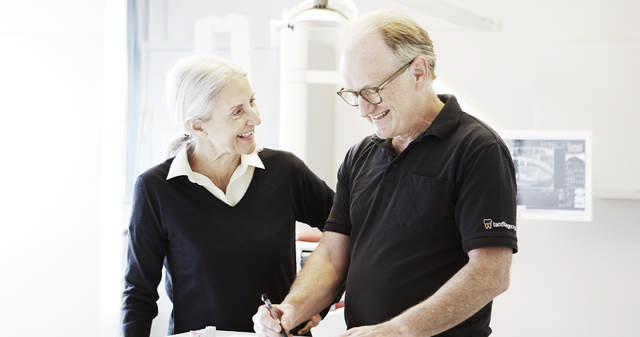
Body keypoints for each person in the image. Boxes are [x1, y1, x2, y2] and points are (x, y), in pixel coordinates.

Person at [253, 10, 518, 337]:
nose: (364, 109)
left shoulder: (477, 150)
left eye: (372, 91)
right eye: (353, 95)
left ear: (418, 72)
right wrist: (292, 308)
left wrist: (399, 330)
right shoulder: (360, 156)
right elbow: (335, 258)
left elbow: (490, 273)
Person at [121, 54, 334, 337]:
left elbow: (349, 233)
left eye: (252, 102)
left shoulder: (285, 171)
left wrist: (315, 305)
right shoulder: (155, 188)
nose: (255, 118)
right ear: (198, 126)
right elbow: (139, 294)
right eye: (237, 112)